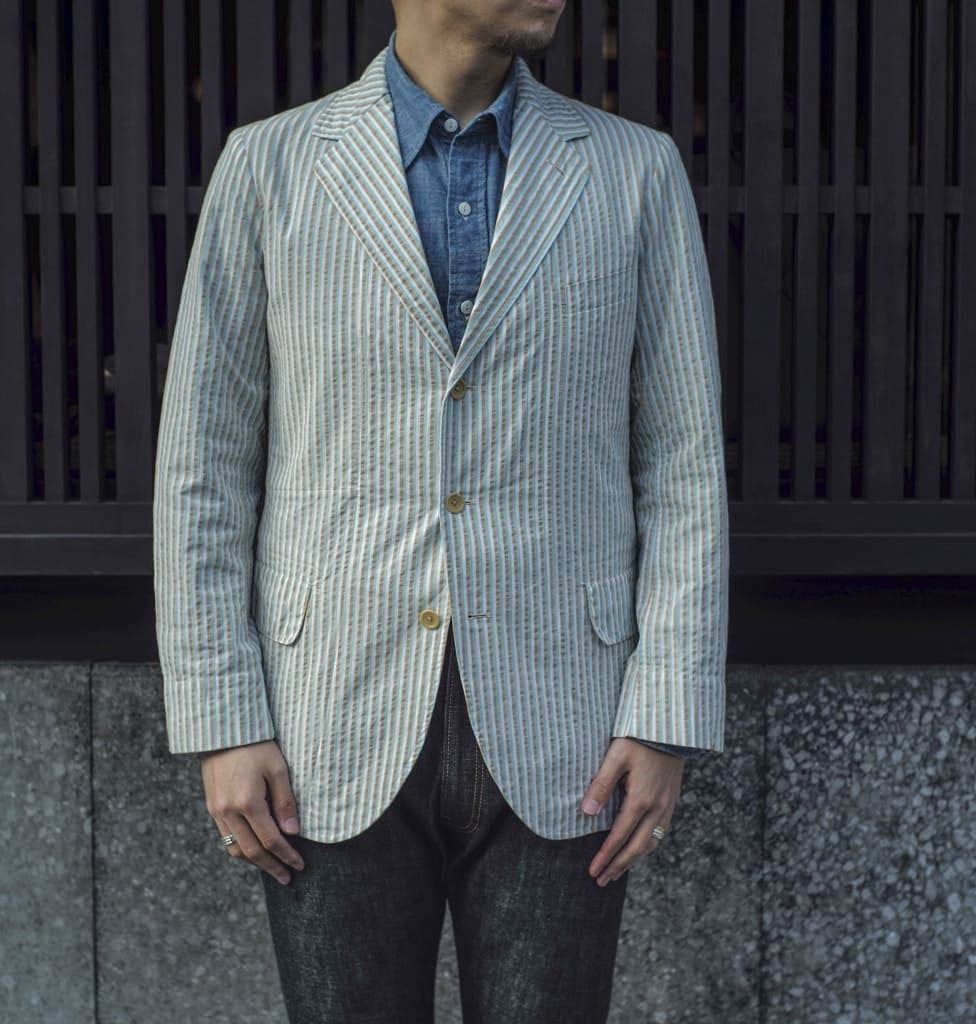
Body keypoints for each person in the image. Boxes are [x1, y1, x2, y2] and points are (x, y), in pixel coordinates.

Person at [153, 0, 729, 1020]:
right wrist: (220, 721)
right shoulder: (270, 168)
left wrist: (667, 714)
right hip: (326, 719)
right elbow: (204, 468)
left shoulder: (633, 172)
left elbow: (682, 466)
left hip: (572, 723)